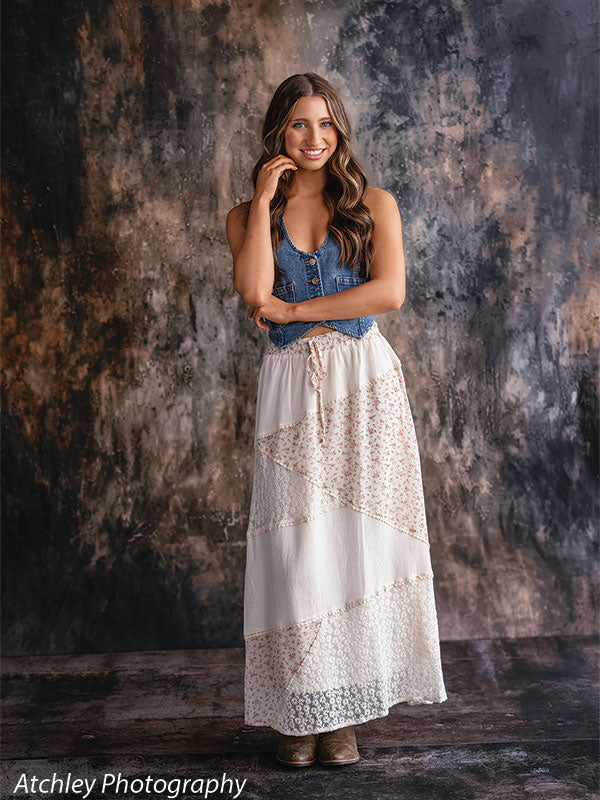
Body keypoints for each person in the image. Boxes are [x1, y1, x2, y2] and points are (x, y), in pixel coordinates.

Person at [226, 72, 447, 769]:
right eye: (298, 125)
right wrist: (265, 200)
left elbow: (389, 291)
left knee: (356, 545)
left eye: (325, 124)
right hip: (293, 391)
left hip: (364, 384)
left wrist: (296, 312)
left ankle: (344, 713)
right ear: (277, 133)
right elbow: (256, 293)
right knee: (298, 552)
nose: (314, 139)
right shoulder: (245, 215)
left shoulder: (374, 203)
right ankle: (300, 712)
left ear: (339, 130)